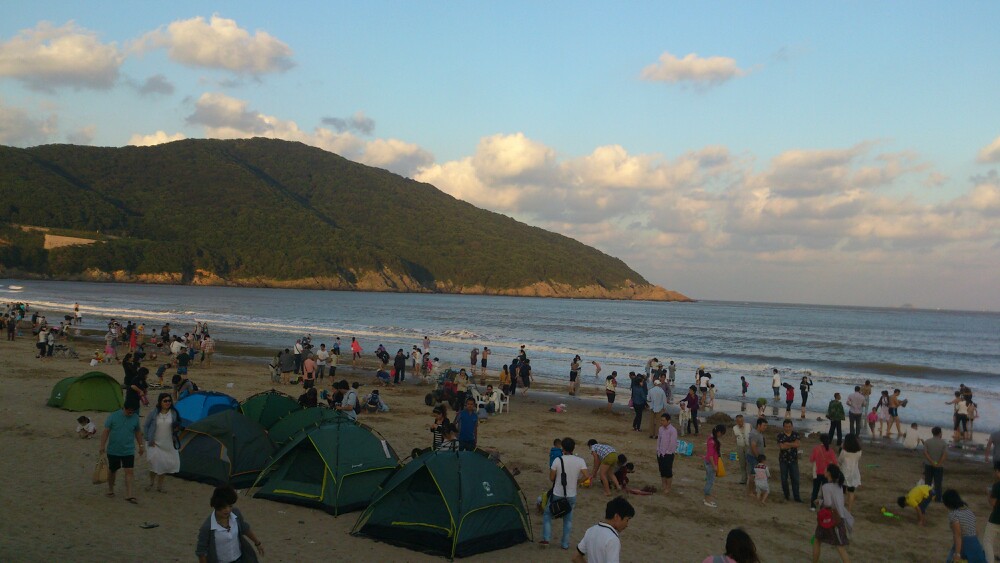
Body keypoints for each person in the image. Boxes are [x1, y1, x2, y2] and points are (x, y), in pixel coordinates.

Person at [541, 437, 590, 550]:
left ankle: (546, 539)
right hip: (571, 494)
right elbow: (587, 476)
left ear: (562, 448)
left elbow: (551, 478)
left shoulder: (558, 460)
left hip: (558, 493)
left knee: (547, 514)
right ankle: (565, 544)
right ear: (573, 448)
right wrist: (578, 482)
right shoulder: (580, 460)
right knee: (567, 519)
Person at [196, 485, 264, 563]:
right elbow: (201, 552)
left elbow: (245, 528)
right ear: (216, 505)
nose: (228, 510)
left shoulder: (235, 513)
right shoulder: (207, 527)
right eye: (224, 507)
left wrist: (257, 543)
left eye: (230, 506)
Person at [99, 398, 144, 504]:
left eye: (133, 411)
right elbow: (106, 431)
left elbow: (137, 432)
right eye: (129, 411)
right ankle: (110, 490)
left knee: (129, 471)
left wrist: (141, 445)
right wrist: (102, 446)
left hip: (128, 450)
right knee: (113, 470)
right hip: (114, 450)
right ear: (124, 408)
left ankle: (129, 494)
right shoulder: (113, 416)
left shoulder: (135, 417)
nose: (131, 413)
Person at [572, 496, 635, 563]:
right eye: (627, 520)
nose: (627, 524)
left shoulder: (591, 530)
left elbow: (576, 557)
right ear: (617, 517)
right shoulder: (613, 539)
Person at [813, 464, 853, 563]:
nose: (824, 470)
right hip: (839, 519)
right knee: (840, 548)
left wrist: (820, 501)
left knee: (818, 541)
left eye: (826, 469)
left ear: (829, 473)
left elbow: (828, 503)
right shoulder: (839, 486)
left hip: (831, 519)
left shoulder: (826, 486)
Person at [144, 392, 180, 493]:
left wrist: (176, 430)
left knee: (163, 465)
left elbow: (177, 426)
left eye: (169, 401)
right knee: (153, 463)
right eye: (165, 401)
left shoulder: (173, 413)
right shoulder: (154, 413)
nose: (168, 403)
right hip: (154, 442)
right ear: (160, 402)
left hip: (167, 443)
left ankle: (160, 486)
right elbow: (146, 426)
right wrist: (148, 438)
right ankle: (151, 482)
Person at [941, 489, 988, 563]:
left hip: (965, 543)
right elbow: (976, 531)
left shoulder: (953, 514)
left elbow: (958, 535)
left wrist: (957, 554)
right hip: (975, 542)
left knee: (951, 560)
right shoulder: (968, 511)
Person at [777, 419, 803, 503]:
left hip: (793, 460)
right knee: (784, 478)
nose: (788, 428)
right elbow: (782, 447)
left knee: (795, 479)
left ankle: (797, 496)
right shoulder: (780, 435)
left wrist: (787, 443)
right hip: (783, 460)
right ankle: (786, 495)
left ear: (792, 426)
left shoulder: (796, 434)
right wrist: (792, 444)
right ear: (783, 427)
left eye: (789, 426)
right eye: (786, 427)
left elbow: (798, 444)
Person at [809, 434, 838, 509]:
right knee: (825, 491)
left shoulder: (816, 449)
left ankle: (813, 506)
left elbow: (811, 459)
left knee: (815, 489)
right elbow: (835, 462)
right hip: (826, 474)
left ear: (821, 440)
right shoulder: (830, 451)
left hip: (817, 473)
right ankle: (823, 506)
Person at [703, 424, 726, 508]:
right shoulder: (712, 441)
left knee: (709, 481)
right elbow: (711, 456)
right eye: (722, 434)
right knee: (710, 481)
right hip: (711, 464)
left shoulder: (711, 438)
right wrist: (714, 466)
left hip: (709, 463)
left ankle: (707, 498)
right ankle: (707, 500)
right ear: (719, 432)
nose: (722, 436)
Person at [838, 433, 862, 512]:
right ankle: (849, 509)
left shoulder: (844, 452)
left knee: (842, 491)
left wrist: (841, 447)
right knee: (851, 492)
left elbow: (839, 461)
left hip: (844, 473)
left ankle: (841, 507)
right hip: (854, 473)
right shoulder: (859, 452)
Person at [923, 426, 946, 502]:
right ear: (940, 433)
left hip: (928, 464)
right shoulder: (943, 443)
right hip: (939, 466)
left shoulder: (927, 441)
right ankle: (938, 498)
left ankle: (927, 496)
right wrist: (938, 463)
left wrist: (931, 462)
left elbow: (925, 453)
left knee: (927, 482)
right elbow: (944, 455)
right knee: (938, 483)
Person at [656, 413, 678, 495]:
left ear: (668, 421)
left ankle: (668, 487)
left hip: (668, 454)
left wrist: (667, 452)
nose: (661, 422)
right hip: (660, 453)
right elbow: (659, 440)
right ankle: (664, 485)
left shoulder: (673, 430)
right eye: (661, 420)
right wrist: (658, 450)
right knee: (662, 470)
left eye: (663, 420)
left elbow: (672, 443)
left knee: (668, 471)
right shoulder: (660, 429)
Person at [746, 417, 768, 497]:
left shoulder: (759, 433)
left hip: (756, 456)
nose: (765, 427)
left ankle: (753, 490)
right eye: (764, 425)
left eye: (766, 426)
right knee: (752, 475)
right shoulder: (755, 434)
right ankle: (750, 491)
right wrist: (758, 457)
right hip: (753, 457)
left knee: (755, 474)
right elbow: (753, 446)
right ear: (759, 425)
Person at [983, 461, 1000, 563]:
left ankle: (990, 561)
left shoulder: (997, 485)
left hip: (996, 518)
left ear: (997, 471)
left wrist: (989, 494)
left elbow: (993, 503)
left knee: (988, 541)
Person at [732, 414, 752, 486]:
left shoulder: (749, 425)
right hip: (740, 447)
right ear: (736, 421)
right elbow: (734, 438)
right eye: (738, 421)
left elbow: (752, 436)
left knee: (749, 463)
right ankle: (744, 479)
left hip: (748, 447)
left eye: (741, 421)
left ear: (743, 420)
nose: (740, 423)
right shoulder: (734, 428)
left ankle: (750, 480)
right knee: (742, 463)